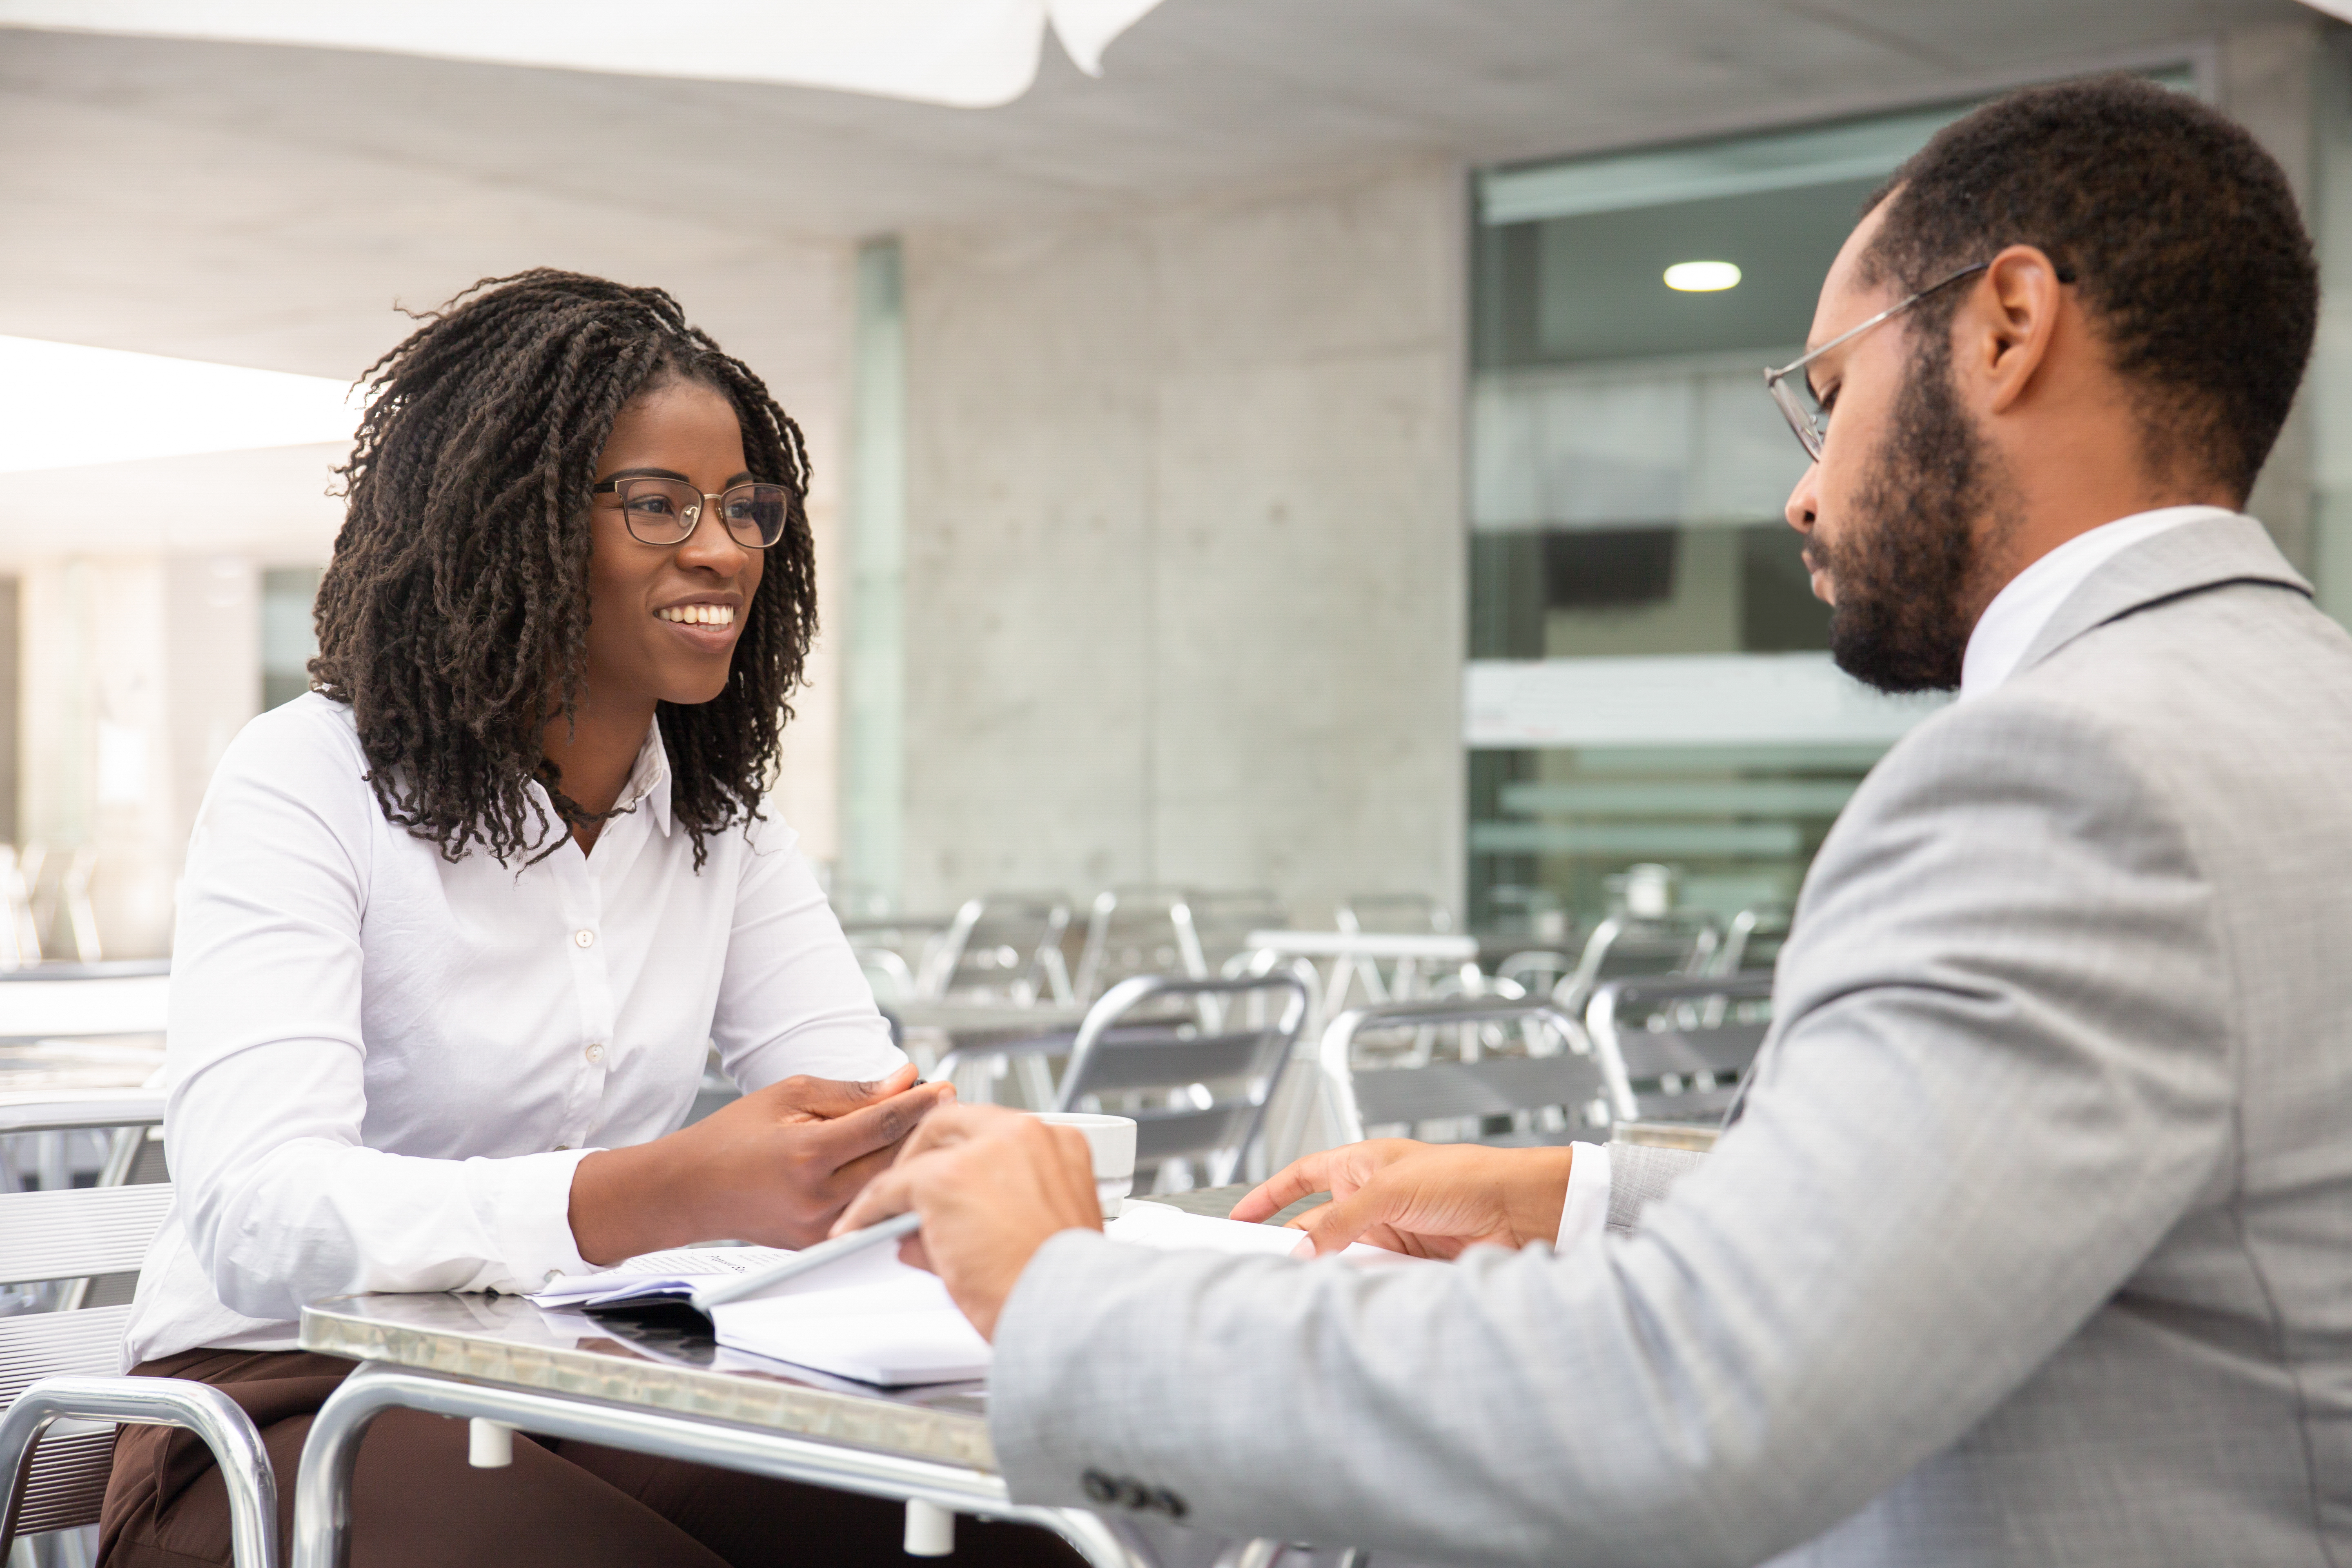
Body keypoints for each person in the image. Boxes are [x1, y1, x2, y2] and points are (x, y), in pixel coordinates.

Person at [839, 76, 2352, 1565]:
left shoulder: (2072, 779)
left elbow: (1691, 1406)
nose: (1804, 499)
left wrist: (1062, 1293)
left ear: (2007, 328)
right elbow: (2060, 1211)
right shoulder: (2290, 711)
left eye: (1831, 398)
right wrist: (1576, 1194)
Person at [100, 272, 1073, 1568]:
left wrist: (970, 1182)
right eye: (659, 503)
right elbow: (259, 1210)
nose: (723, 548)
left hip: (574, 1380)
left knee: (1009, 1539)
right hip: (279, 1409)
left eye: (745, 507)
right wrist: (656, 1192)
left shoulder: (721, 824)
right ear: (505, 524)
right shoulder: (308, 778)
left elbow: (863, 1109)